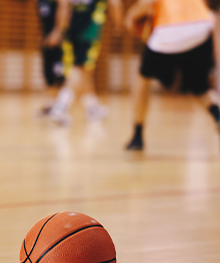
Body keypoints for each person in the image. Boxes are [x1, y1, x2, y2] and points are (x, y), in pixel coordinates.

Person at [125, 0, 220, 151]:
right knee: (199, 87)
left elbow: (146, 3)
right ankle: (217, 114)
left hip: (170, 29)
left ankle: (137, 134)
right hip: (202, 27)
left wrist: (130, 16)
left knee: (143, 78)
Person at [47, 0, 123, 125]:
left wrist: (59, 30)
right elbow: (115, 3)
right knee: (79, 69)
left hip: (71, 28)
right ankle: (60, 107)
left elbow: (64, 5)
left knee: (86, 70)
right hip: (89, 29)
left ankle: (92, 108)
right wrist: (118, 24)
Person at [36, 0, 69, 116]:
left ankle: (59, 105)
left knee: (59, 73)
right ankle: (50, 104)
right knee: (47, 72)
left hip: (59, 40)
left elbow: (64, 6)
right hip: (46, 38)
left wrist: (58, 31)